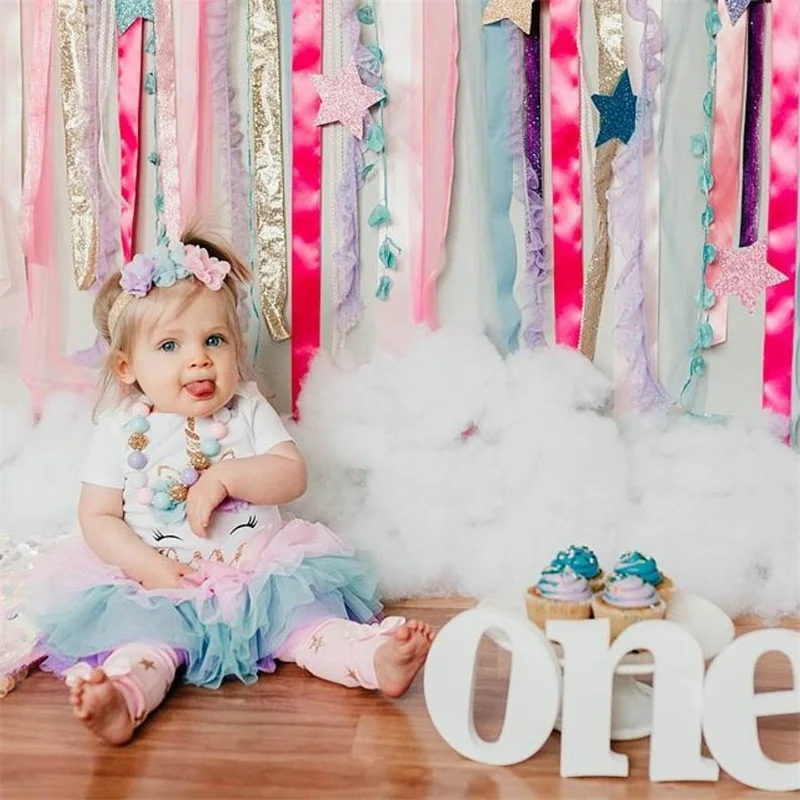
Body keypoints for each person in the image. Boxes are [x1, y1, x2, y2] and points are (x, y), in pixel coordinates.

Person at [30, 231, 434, 745]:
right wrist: (151, 569)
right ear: (128, 367)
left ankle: (373, 658)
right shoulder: (119, 430)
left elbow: (291, 474)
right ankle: (121, 696)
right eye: (170, 345)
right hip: (161, 586)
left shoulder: (245, 408)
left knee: (308, 627)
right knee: (146, 645)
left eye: (214, 340)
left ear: (235, 345)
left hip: (259, 580)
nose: (199, 359)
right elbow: (98, 516)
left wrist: (226, 476)